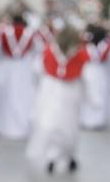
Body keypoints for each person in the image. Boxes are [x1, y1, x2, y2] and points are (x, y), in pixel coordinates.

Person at [28, 24, 90, 173]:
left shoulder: (49, 50)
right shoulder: (81, 55)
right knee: (69, 126)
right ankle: (68, 156)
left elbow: (37, 69)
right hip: (71, 91)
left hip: (50, 89)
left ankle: (51, 155)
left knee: (49, 123)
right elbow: (86, 77)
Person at [0, 15, 40, 141]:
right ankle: (21, 127)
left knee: (4, 97)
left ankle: (2, 125)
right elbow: (37, 51)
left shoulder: (4, 32)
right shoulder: (31, 34)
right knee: (22, 98)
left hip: (6, 68)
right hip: (24, 70)